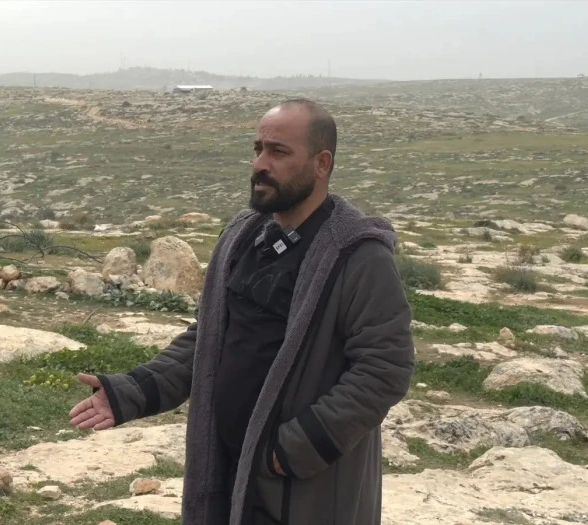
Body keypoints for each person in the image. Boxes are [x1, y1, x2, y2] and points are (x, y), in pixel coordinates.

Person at [69, 98, 415, 525]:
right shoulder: (245, 238)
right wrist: (132, 391)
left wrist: (292, 450)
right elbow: (208, 340)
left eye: (279, 152)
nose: (260, 164)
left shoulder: (358, 257)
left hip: (304, 488)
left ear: (322, 164)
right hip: (228, 474)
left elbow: (385, 368)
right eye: (258, 149)